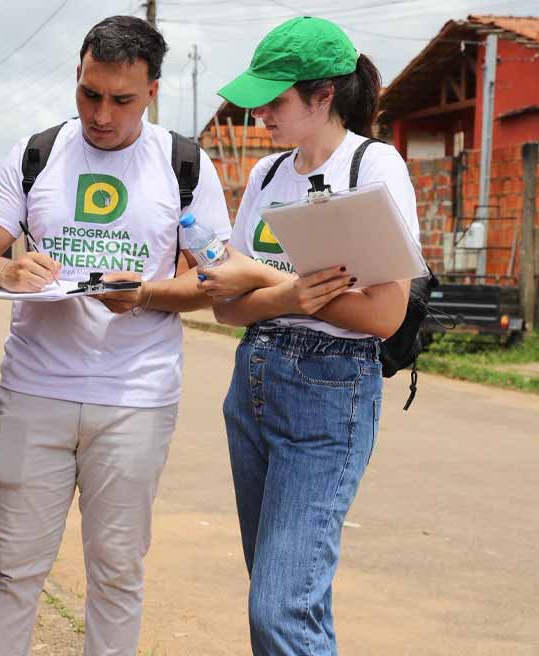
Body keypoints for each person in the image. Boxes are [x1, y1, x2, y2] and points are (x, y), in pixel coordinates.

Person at [0, 16, 230, 656]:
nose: (101, 115)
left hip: (136, 400)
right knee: (13, 571)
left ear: (152, 92)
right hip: (33, 394)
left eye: (121, 100)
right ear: (78, 78)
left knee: (116, 575)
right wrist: (4, 267)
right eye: (89, 93)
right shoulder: (37, 152)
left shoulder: (184, 163)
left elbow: (218, 277)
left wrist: (148, 294)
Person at [199, 16, 421, 655]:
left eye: (277, 98)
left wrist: (274, 287)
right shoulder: (269, 177)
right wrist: (292, 294)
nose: (262, 112)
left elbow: (384, 315)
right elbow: (227, 309)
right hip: (255, 380)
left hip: (331, 390)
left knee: (279, 610)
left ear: (323, 95)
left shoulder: (372, 166)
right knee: (289, 600)